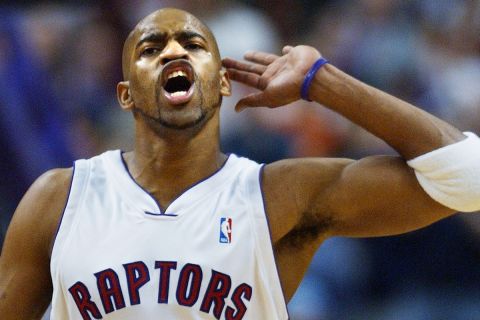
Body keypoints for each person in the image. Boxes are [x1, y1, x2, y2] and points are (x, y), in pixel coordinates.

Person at [1, 7, 480, 320]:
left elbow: (470, 178)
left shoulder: (276, 196)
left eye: (192, 45)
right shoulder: (58, 198)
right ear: (125, 94)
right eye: (151, 49)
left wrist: (322, 80)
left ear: (224, 83)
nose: (173, 52)